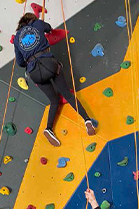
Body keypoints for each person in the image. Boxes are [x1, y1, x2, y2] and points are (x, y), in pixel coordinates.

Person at [13, 13, 96, 147]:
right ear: (31, 20)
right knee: (68, 96)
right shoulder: (37, 24)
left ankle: (49, 129)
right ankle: (87, 121)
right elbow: (49, 28)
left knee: (54, 101)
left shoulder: (17, 38)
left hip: (34, 72)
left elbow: (20, 62)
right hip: (48, 64)